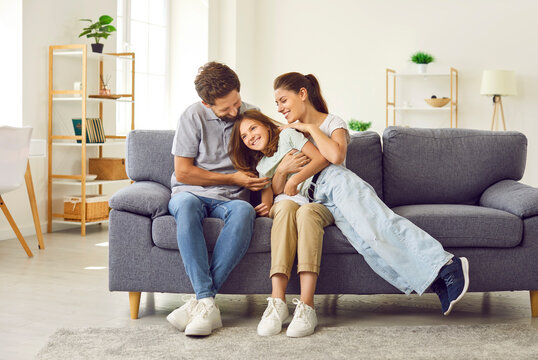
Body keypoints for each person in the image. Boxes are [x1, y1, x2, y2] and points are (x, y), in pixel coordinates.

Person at [230, 103, 469, 320]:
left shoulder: (288, 135)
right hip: (319, 197)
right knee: (367, 244)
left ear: (265, 124)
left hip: (332, 181)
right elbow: (271, 198)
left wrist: (294, 179)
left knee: (378, 225)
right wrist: (281, 172)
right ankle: (433, 279)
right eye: (244, 136)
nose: (250, 137)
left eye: (252, 128)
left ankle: (446, 264)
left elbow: (323, 159)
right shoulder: (262, 166)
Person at [166, 62, 269, 337]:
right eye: (226, 109)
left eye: (236, 102)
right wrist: (233, 178)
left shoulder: (249, 113)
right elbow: (183, 172)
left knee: (244, 212)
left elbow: (272, 154)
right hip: (190, 192)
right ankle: (206, 300)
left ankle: (201, 303)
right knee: (186, 207)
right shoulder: (191, 116)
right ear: (206, 103)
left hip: (232, 197)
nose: (235, 112)